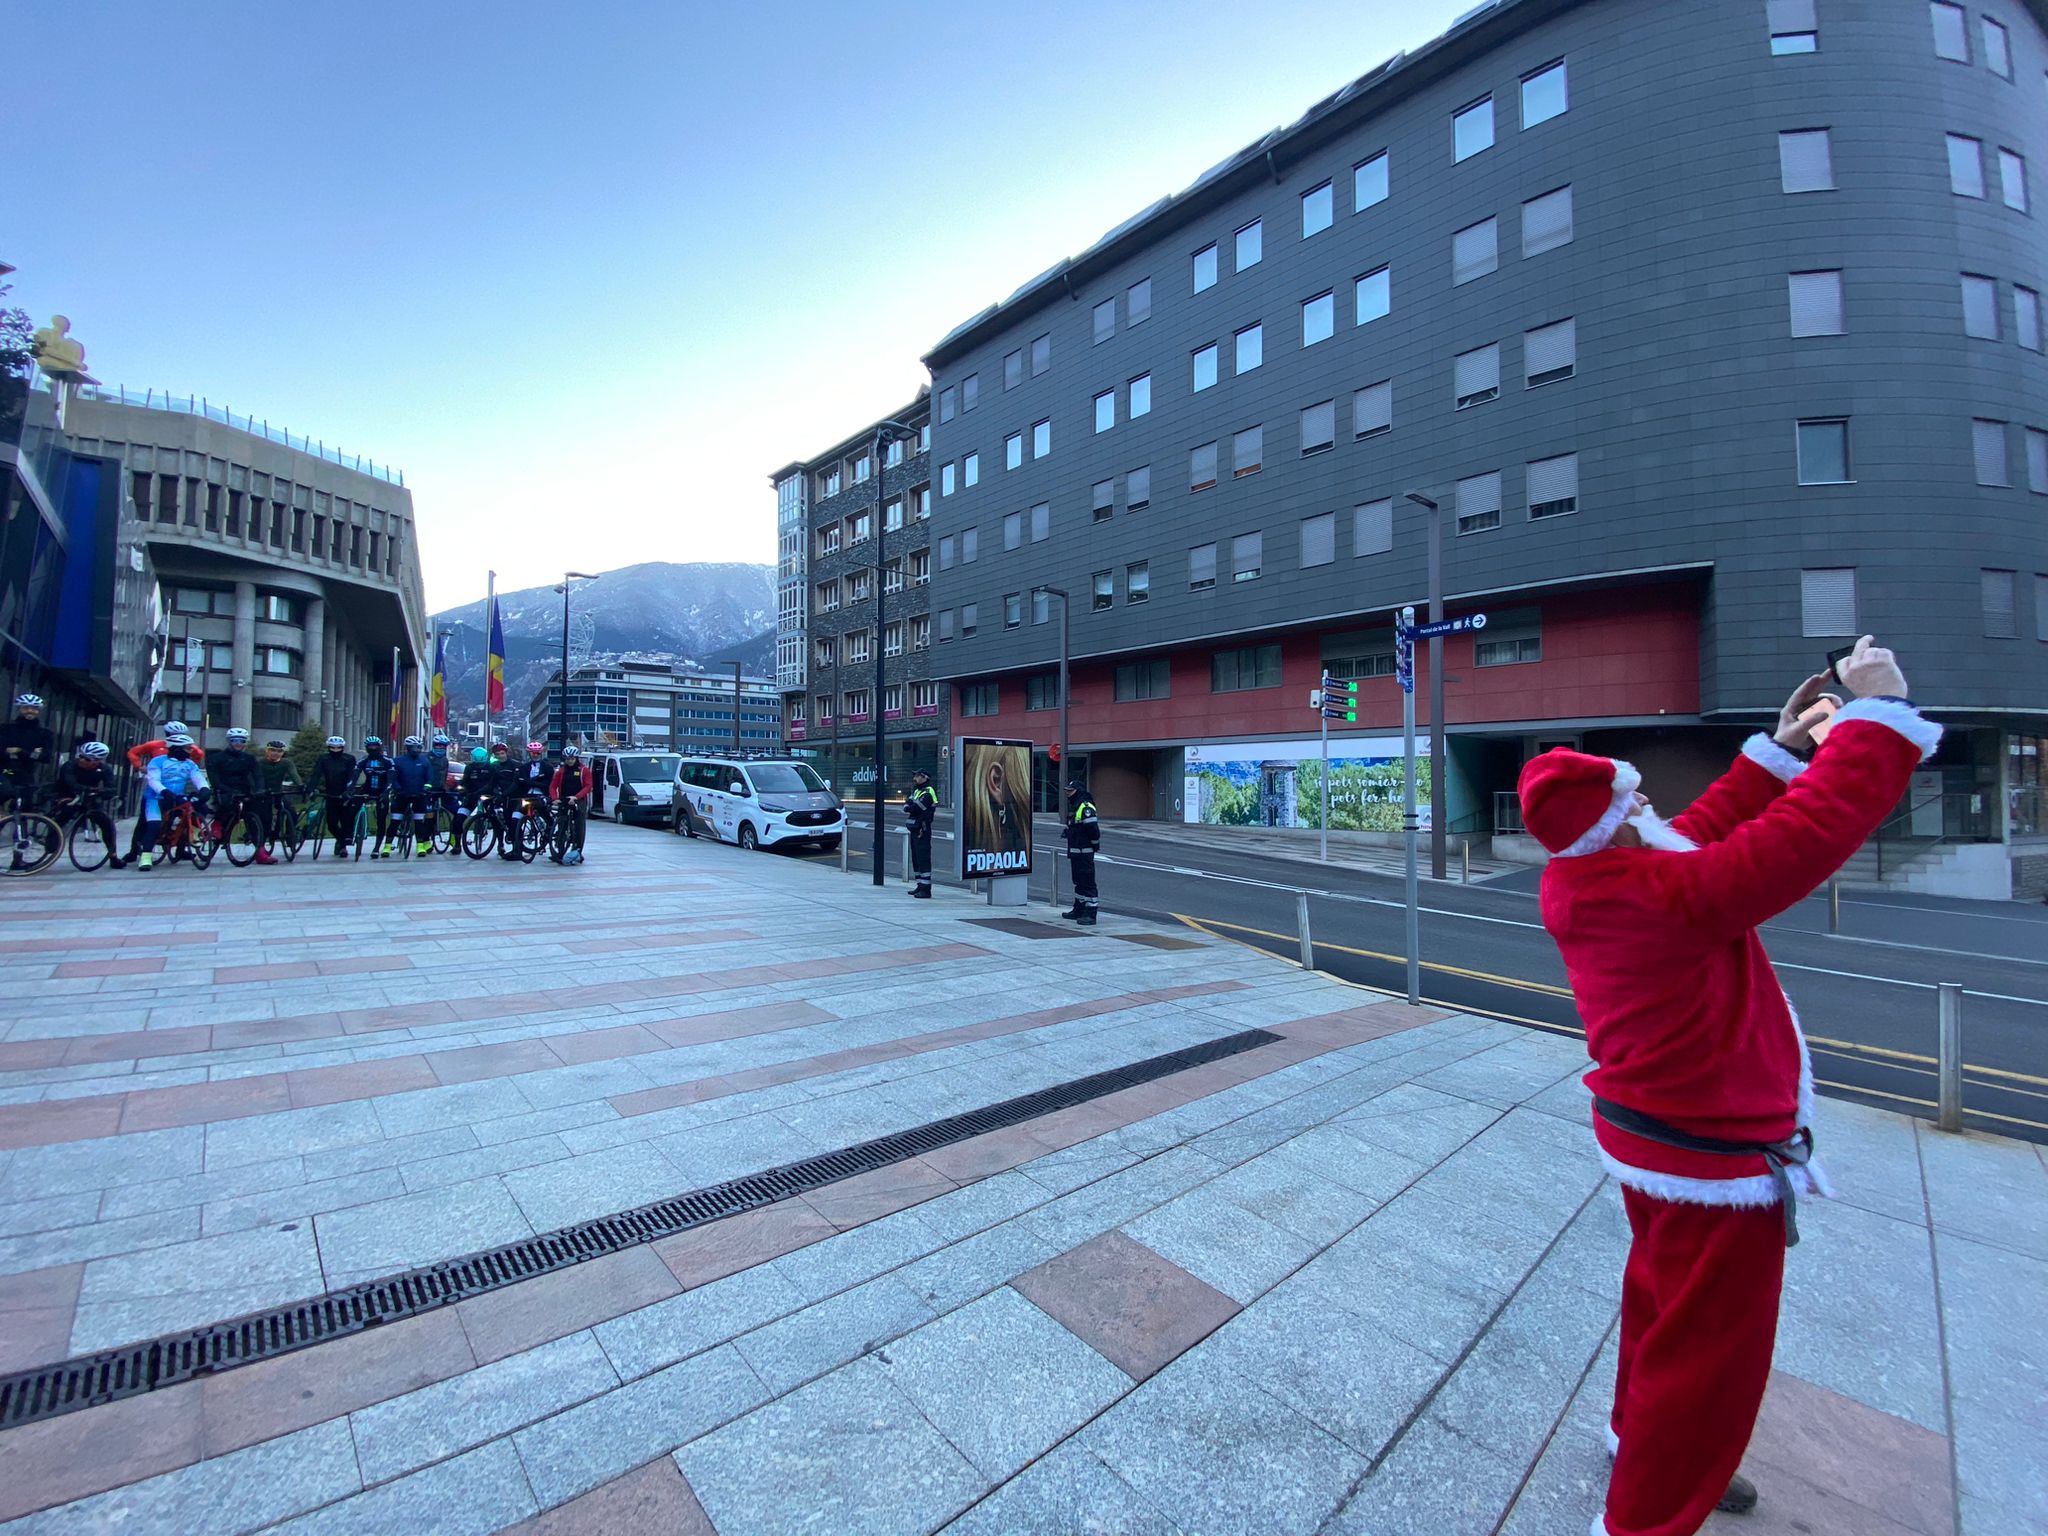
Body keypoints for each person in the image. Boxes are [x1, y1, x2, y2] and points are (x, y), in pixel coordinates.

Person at [1515, 637, 1939, 1536]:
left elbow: (1696, 833)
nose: (1653, 805)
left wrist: (1778, 750)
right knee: (1710, 1363)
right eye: (1638, 799)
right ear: (1620, 826)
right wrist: (1876, 714)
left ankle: (1638, 1442)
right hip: (1715, 1161)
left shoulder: (1590, 878)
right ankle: (1646, 1515)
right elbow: (1803, 837)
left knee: (1661, 1310)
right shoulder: (1665, 896)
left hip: (1654, 1141)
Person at [124, 722, 208, 865]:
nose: (190, 750)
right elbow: (152, 778)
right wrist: (140, 767)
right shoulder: (157, 757)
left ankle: (183, 845)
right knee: (151, 823)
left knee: (195, 811)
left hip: (178, 794)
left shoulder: (190, 762)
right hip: (155, 796)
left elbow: (198, 776)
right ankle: (143, 855)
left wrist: (205, 789)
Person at [208, 727, 271, 863]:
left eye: (242, 741)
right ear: (229, 741)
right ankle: (217, 824)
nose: (238, 743)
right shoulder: (217, 758)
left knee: (255, 818)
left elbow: (258, 775)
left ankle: (260, 852)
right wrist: (224, 789)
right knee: (226, 808)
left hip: (244, 790)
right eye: (235, 740)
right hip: (225, 789)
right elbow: (214, 779)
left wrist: (260, 789)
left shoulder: (249, 758)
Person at [53, 741, 120, 864]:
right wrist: (90, 790)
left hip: (90, 798)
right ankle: (50, 844)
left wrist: (101, 792)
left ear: (98, 761)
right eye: (81, 756)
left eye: (88, 759)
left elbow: (111, 789)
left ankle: (113, 856)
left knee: (107, 825)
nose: (82, 760)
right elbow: (70, 783)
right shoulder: (69, 766)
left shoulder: (104, 769)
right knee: (62, 817)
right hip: (69, 795)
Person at [1, 693, 57, 805]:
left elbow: (45, 757)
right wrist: (32, 754)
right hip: (5, 770)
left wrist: (19, 751)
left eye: (34, 708)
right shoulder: (6, 729)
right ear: (19, 709)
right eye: (25, 708)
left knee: (27, 804)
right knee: (5, 793)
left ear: (39, 711)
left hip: (26, 773)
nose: (29, 711)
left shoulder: (45, 733)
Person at [1061, 775, 1100, 924]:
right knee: (1078, 882)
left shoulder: (1086, 807)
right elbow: (1077, 827)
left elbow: (1093, 830)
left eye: (1070, 791)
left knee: (1088, 883)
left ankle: (1091, 914)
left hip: (1085, 852)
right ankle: (1079, 909)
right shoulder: (1076, 806)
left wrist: (1095, 845)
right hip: (1076, 852)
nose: (1068, 794)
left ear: (1078, 791)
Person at [310, 735, 357, 859]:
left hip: (345, 794)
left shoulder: (349, 759)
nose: (335, 750)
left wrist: (348, 791)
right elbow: (316, 774)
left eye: (338, 748)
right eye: (332, 748)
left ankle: (343, 846)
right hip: (330, 793)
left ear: (342, 748)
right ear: (328, 747)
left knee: (346, 820)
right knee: (331, 823)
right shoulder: (323, 759)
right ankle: (341, 840)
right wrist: (311, 789)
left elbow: (352, 776)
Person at [389, 735, 437, 856]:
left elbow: (430, 777)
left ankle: (420, 846)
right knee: (395, 820)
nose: (418, 750)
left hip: (419, 794)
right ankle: (387, 846)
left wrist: (427, 787)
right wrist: (397, 788)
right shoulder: (398, 761)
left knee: (419, 821)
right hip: (402, 794)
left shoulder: (424, 761)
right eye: (415, 747)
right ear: (409, 748)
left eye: (419, 747)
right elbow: (393, 777)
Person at [255, 739, 301, 861]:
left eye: (279, 751)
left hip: (278, 792)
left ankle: (289, 836)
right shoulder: (260, 763)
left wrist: (301, 785)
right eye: (272, 750)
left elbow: (293, 774)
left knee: (291, 811)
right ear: (267, 751)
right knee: (265, 818)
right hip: (263, 794)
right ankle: (263, 839)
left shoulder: (286, 763)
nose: (275, 753)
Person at [548, 745, 593, 864]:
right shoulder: (561, 771)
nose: (570, 761)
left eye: (572, 759)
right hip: (564, 798)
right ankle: (560, 849)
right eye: (568, 759)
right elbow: (553, 786)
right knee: (562, 823)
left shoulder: (584, 770)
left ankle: (578, 850)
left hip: (579, 799)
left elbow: (588, 786)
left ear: (576, 758)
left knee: (579, 825)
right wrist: (554, 798)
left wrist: (577, 797)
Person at [353, 737, 397, 857]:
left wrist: (386, 791)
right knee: (350, 809)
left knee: (381, 820)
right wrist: (350, 788)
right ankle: (350, 834)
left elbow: (391, 779)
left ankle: (377, 847)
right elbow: (354, 776)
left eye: (375, 746)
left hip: (382, 791)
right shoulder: (363, 761)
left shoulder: (388, 761)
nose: (373, 748)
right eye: (370, 746)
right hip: (367, 789)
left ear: (379, 747)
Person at [903, 766, 938, 897]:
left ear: (924, 778)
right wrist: (909, 806)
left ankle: (926, 889)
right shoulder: (918, 791)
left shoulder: (928, 792)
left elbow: (917, 808)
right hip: (915, 828)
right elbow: (907, 804)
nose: (914, 778)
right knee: (916, 858)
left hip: (923, 829)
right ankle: (919, 885)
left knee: (923, 858)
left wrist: (910, 807)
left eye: (917, 776)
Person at [459, 746, 493, 813]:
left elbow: (493, 783)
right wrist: (462, 790)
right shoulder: (469, 767)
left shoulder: (491, 767)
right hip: (472, 796)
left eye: (481, 764)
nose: (479, 766)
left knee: (492, 816)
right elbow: (465, 781)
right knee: (459, 817)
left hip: (487, 796)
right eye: (477, 764)